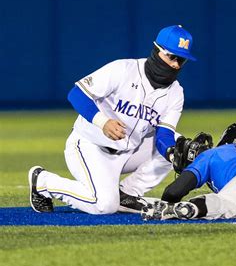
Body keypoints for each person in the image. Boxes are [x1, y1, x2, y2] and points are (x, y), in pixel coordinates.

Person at [28, 25, 197, 215]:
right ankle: (43, 182)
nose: (175, 64)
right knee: (104, 206)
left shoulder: (175, 93)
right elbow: (76, 94)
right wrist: (102, 122)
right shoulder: (123, 69)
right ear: (156, 50)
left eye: (180, 60)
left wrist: (172, 154)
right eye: (171, 57)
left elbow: (164, 134)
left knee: (179, 144)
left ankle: (128, 193)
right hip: (90, 146)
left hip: (129, 152)